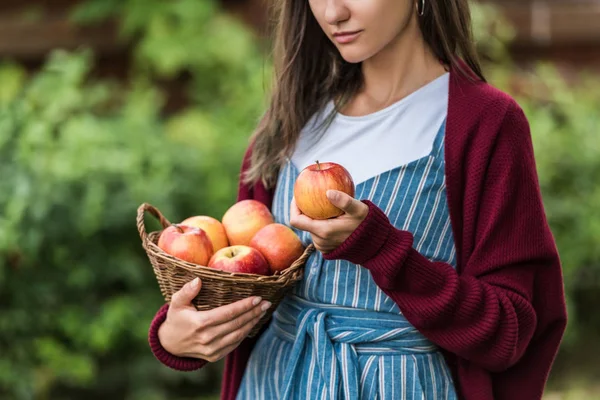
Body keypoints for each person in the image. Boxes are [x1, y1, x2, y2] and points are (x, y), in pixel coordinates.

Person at [148, 0, 568, 398]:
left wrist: (381, 248)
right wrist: (176, 334)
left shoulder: (485, 124)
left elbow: (508, 332)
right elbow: (247, 282)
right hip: (272, 383)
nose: (334, 12)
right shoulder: (292, 122)